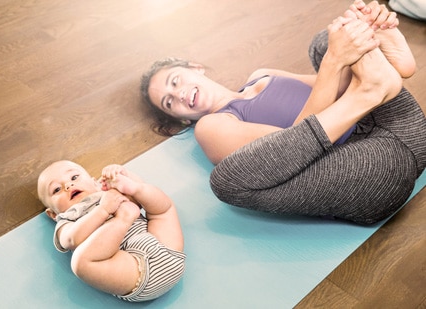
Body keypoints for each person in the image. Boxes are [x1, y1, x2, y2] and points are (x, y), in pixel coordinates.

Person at [140, 0, 426, 224]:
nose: (178, 94)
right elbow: (294, 148)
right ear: (180, 118)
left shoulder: (263, 74)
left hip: (405, 129)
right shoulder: (211, 126)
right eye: (169, 102)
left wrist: (363, 32)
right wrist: (338, 60)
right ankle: (371, 84)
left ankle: (383, 63)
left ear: (195, 68)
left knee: (324, 43)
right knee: (227, 179)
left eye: (175, 81)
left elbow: (334, 87)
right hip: (371, 171)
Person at [37, 160, 185, 302]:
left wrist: (125, 178)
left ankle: (134, 188)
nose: (68, 185)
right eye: (56, 189)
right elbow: (71, 240)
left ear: (95, 182)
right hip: (133, 270)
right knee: (80, 263)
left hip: (165, 245)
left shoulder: (108, 191)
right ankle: (123, 220)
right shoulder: (67, 219)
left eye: (74, 177)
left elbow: (141, 201)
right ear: (53, 214)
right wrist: (103, 210)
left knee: (163, 207)